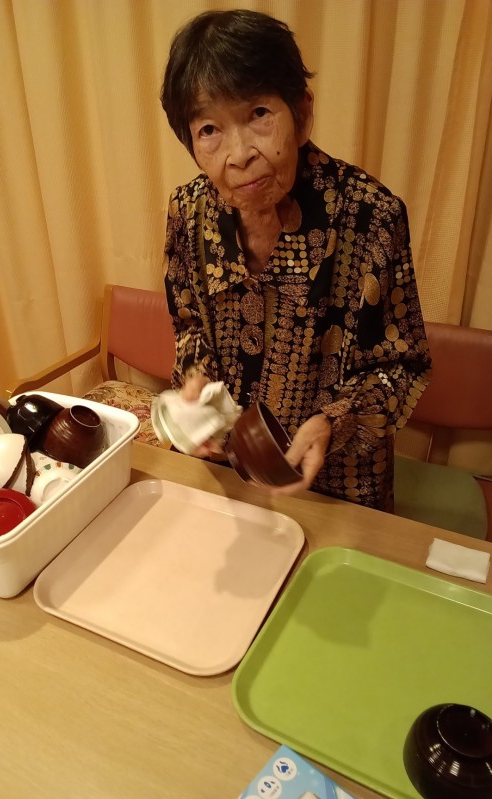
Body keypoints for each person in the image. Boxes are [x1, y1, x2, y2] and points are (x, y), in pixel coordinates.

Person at [160, 9, 431, 511]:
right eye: (209, 129)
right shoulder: (188, 211)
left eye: (258, 114)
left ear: (302, 114)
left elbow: (401, 364)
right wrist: (195, 381)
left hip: (335, 485)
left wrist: (334, 421)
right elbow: (190, 323)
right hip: (227, 471)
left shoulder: (371, 215)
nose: (238, 154)